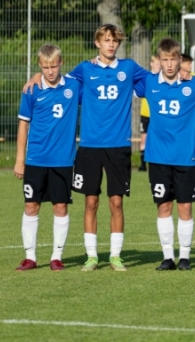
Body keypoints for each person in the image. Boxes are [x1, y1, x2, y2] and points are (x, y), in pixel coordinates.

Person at [25, 24, 150, 272]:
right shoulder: (84, 69)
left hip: (118, 147)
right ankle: (92, 256)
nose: (110, 44)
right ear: (97, 43)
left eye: (114, 40)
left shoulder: (129, 68)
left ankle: (115, 256)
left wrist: (183, 74)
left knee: (116, 203)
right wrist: (37, 76)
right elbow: (57, 78)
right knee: (90, 202)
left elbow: (157, 81)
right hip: (90, 148)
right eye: (106, 40)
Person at [134, 38, 195, 271]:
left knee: (185, 207)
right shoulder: (149, 82)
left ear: (180, 60)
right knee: (164, 206)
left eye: (173, 60)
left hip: (184, 156)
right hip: (157, 156)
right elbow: (125, 82)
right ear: (158, 61)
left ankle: (186, 257)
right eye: (165, 60)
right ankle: (168, 257)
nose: (169, 64)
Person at [14, 44, 81, 271]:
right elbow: (23, 125)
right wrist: (19, 159)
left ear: (61, 63)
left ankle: (56, 257)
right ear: (39, 66)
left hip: (62, 161)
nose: (50, 71)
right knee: (31, 205)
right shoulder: (31, 90)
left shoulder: (74, 85)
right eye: (45, 67)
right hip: (35, 160)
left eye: (54, 66)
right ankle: (30, 257)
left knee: (60, 206)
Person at [139, 55, 160, 172]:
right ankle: (142, 165)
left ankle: (156, 162)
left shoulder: (163, 78)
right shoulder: (146, 78)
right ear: (151, 64)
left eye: (159, 64)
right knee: (144, 138)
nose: (158, 66)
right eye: (156, 63)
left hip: (158, 114)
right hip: (146, 113)